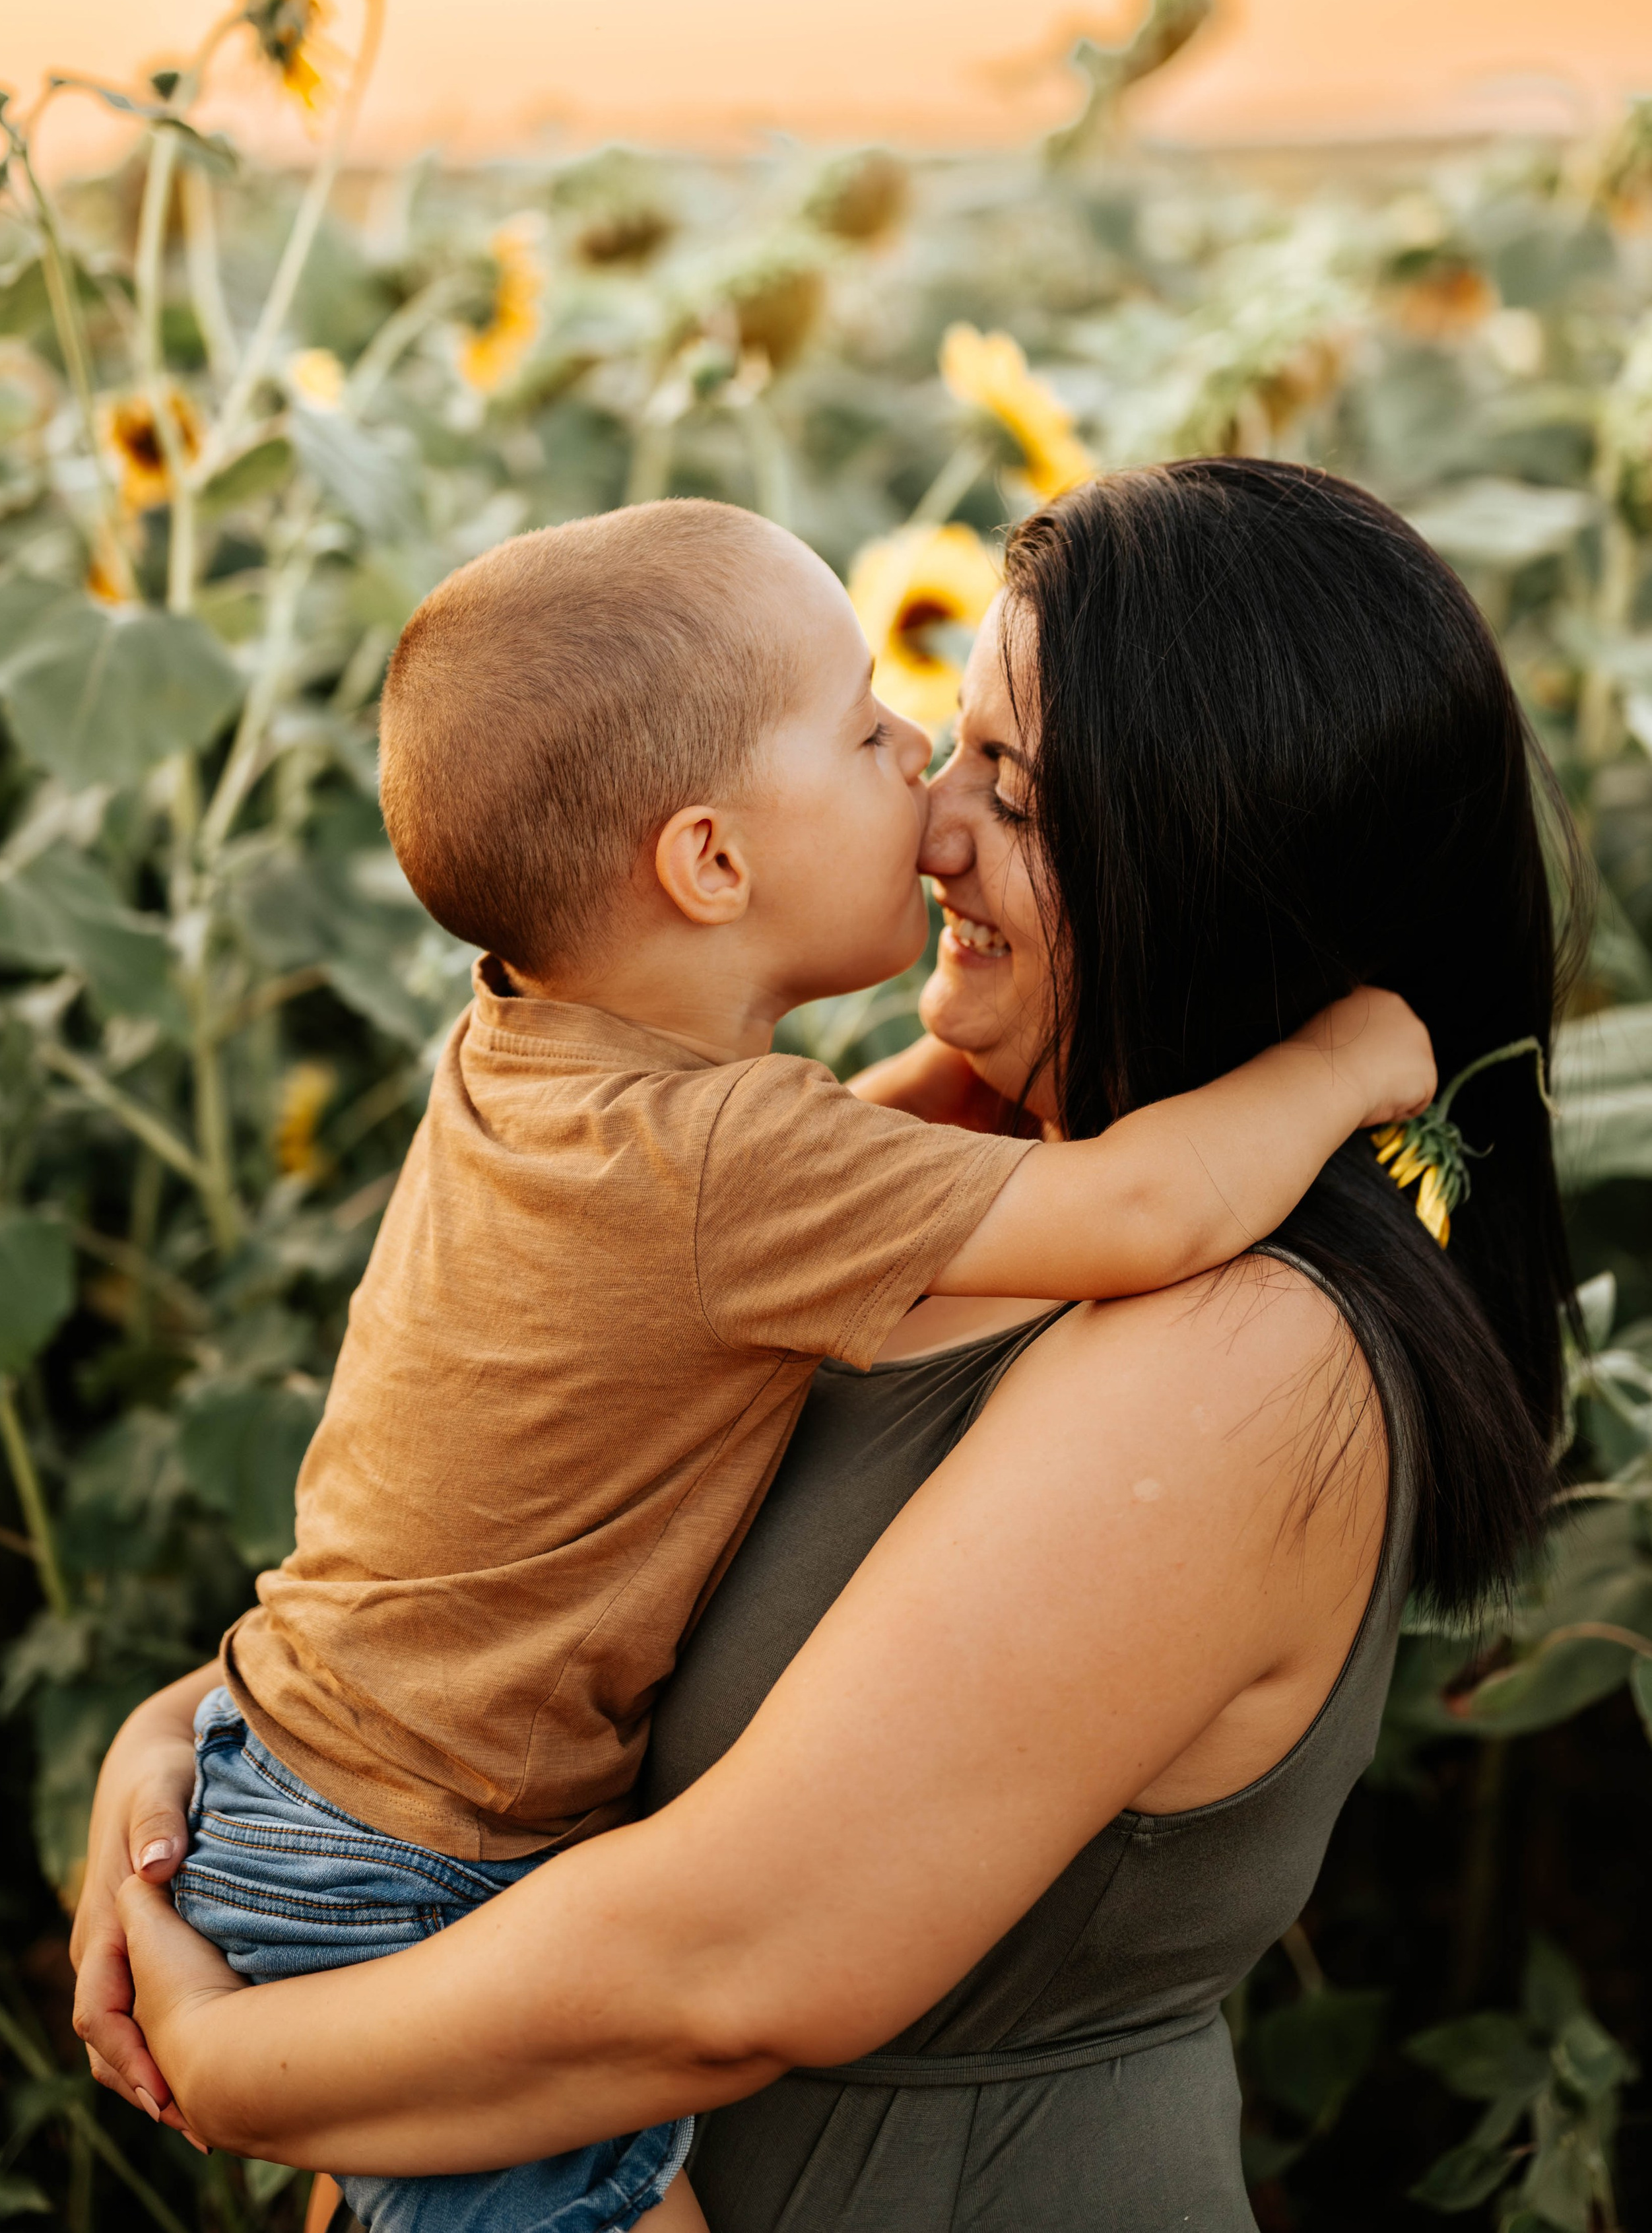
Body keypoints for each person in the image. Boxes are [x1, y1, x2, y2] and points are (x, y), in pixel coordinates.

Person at [77, 462, 1575, 2233]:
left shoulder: (1239, 1352)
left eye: (1006, 791)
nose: (932, 821)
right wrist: (186, 1746)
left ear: (1203, 857)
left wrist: (243, 2060)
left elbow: (729, 1962)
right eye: (914, 744)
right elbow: (483, 1503)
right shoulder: (851, 1171)